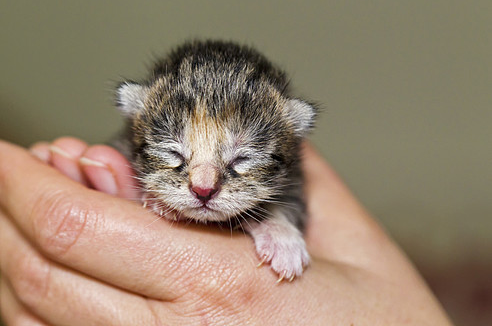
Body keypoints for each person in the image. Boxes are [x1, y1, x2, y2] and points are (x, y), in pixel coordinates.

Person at [0, 137, 452, 325]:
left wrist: (274, 223)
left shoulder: (292, 178)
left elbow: (291, 200)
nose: (201, 185)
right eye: (173, 154)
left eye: (241, 161)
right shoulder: (131, 149)